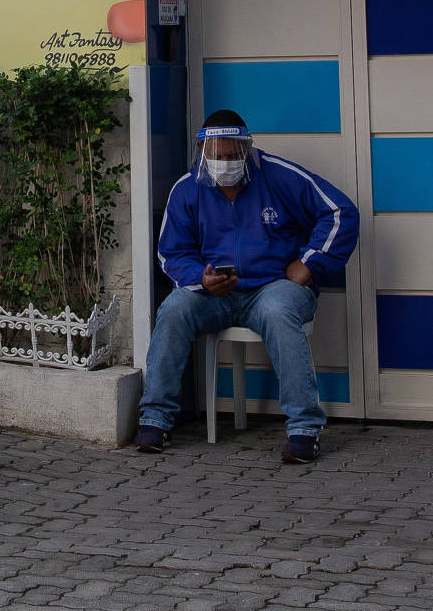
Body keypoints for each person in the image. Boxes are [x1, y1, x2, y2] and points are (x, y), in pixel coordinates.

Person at [135, 111, 358, 464]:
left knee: (278, 311)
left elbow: (340, 213)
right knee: (174, 309)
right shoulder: (187, 188)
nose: (225, 163)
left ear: (247, 148)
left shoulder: (280, 175)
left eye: (232, 155)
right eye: (217, 156)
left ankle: (304, 429)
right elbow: (171, 252)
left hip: (273, 287)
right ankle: (155, 420)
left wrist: (310, 263)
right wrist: (200, 278)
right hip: (214, 293)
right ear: (201, 150)